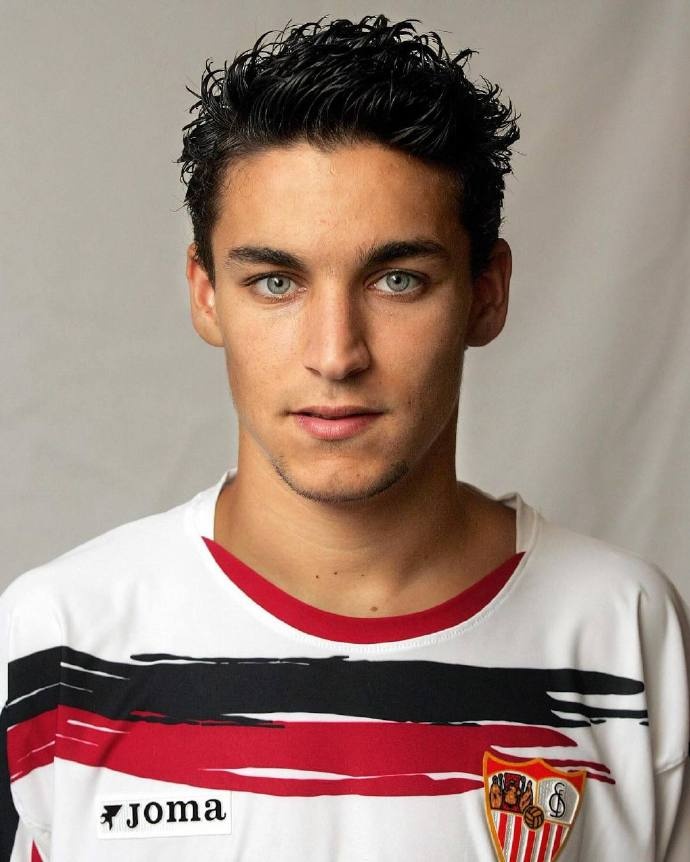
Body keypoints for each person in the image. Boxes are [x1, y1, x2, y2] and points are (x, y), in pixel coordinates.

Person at [1, 13, 688, 862]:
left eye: (398, 279)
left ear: (487, 292)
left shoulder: (625, 634)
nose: (335, 354)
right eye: (275, 282)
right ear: (206, 294)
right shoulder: (59, 642)